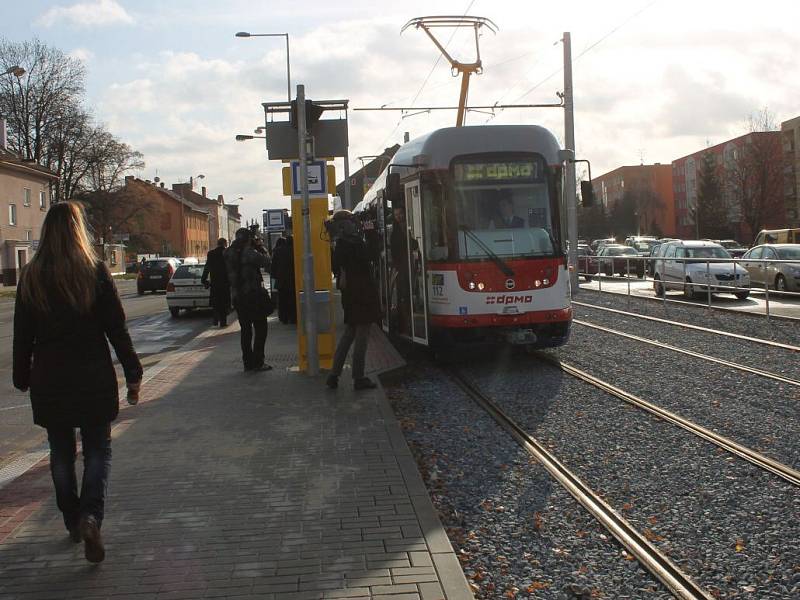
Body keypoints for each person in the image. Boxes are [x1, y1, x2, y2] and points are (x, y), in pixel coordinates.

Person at [12, 202, 142, 564]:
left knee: (61, 451)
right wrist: (133, 373)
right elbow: (116, 329)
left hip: (50, 376)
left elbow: (22, 336)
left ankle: (72, 518)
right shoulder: (95, 271)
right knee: (98, 448)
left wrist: (21, 376)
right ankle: (90, 517)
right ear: (77, 230)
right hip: (93, 374)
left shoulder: (32, 275)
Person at [326, 210, 379, 391]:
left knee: (349, 335)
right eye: (352, 222)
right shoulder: (353, 243)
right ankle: (359, 377)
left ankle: (334, 375)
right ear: (346, 225)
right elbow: (372, 255)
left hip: (350, 295)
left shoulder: (339, 244)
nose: (355, 225)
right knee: (361, 337)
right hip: (361, 294)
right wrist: (371, 233)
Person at [225, 227, 272, 372]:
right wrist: (260, 247)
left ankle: (247, 362)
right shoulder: (250, 253)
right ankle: (258, 361)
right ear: (248, 240)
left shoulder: (228, 252)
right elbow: (266, 262)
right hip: (253, 295)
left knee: (245, 330)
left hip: (238, 296)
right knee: (260, 328)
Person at [390, 205, 411, 335]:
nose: (399, 217)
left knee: (406, 295)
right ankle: (404, 325)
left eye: (400, 214)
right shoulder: (395, 231)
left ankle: (405, 323)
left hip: (406, 266)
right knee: (403, 296)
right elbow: (397, 248)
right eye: (396, 215)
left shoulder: (405, 227)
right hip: (401, 267)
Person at [201, 238, 231, 327]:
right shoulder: (227, 253)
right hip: (225, 282)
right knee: (224, 302)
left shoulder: (211, 254)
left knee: (216, 301)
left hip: (215, 282)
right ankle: (223, 322)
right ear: (225, 244)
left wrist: (203, 279)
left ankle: (215, 318)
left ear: (217, 244)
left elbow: (207, 267)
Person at [272, 234, 297, 324]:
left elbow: (273, 265)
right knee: (293, 299)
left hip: (281, 279)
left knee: (282, 299)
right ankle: (293, 317)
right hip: (293, 279)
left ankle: (283, 317)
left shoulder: (278, 251)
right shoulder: (295, 250)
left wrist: (274, 276)